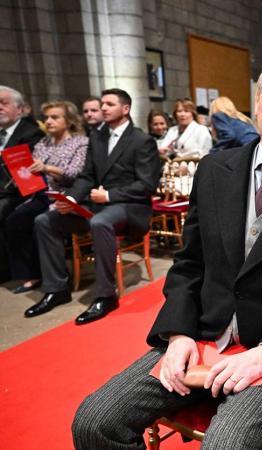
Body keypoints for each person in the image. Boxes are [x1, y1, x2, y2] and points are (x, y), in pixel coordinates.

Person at [71, 51, 262, 450]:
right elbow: (190, 263)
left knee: (225, 444)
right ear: (257, 101)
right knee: (94, 422)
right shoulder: (214, 170)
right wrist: (177, 334)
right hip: (202, 337)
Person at [25, 88, 160, 323]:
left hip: (130, 206)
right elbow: (86, 176)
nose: (103, 108)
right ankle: (57, 289)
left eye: (109, 104)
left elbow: (146, 185)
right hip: (98, 203)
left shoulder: (141, 140)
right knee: (45, 220)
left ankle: (106, 295)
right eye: (103, 104)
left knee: (100, 221)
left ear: (125, 109)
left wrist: (109, 195)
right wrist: (72, 200)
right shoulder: (97, 137)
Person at [6, 100, 88, 294]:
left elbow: (75, 174)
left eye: (55, 117)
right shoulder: (42, 143)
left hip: (64, 195)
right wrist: (22, 177)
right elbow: (32, 169)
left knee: (40, 222)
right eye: (46, 118)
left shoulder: (80, 142)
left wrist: (46, 168)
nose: (49, 121)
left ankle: (59, 276)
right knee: (14, 221)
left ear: (68, 121)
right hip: (40, 193)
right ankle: (33, 272)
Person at [0, 86, 45, 282]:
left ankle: (10, 270)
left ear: (19, 110)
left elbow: (25, 171)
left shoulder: (30, 133)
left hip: (20, 192)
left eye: (4, 103)